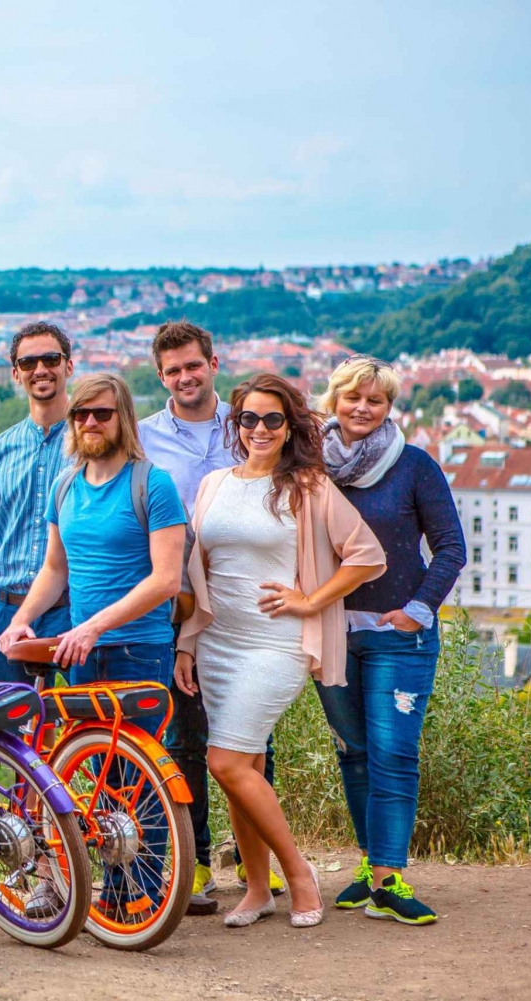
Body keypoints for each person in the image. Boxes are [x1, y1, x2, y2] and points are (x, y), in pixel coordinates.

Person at [175, 374, 385, 929]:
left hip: (277, 642)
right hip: (219, 643)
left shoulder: (309, 485)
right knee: (246, 764)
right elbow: (200, 572)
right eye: (249, 418)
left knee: (224, 761)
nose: (260, 429)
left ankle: (297, 876)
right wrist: (187, 643)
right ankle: (255, 888)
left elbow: (365, 555)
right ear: (235, 424)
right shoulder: (214, 484)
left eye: (272, 419)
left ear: (289, 425)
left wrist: (310, 598)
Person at [0, 372, 187, 919]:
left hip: (137, 648)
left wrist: (94, 626)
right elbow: (55, 569)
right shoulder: (66, 485)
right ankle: (104, 886)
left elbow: (165, 580)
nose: (89, 423)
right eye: (81, 414)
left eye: (101, 414)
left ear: (122, 418)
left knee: (139, 778)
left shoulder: (152, 484)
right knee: (92, 775)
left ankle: (146, 894)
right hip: (82, 652)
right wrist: (24, 619)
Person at [314, 357, 466, 925]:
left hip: (398, 637)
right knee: (352, 753)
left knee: (394, 754)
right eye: (353, 397)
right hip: (332, 634)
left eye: (375, 400)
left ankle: (389, 878)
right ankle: (369, 862)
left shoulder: (414, 466)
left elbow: (450, 547)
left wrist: (419, 609)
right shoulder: (313, 468)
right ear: (334, 399)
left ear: (389, 407)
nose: (362, 408)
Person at [136, 320, 280, 912]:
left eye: (193, 366)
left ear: (213, 364)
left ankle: (258, 867)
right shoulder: (143, 438)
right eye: (172, 371)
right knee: (188, 738)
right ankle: (193, 865)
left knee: (255, 742)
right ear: (160, 376)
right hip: (181, 602)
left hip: (247, 599)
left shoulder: (250, 424)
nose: (184, 377)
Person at [0, 321, 76, 685]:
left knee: (85, 729)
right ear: (16, 373)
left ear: (68, 366)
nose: (40, 370)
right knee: (10, 735)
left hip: (72, 613)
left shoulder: (92, 445)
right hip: (5, 609)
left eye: (50, 359)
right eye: (29, 363)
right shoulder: (0, 449)